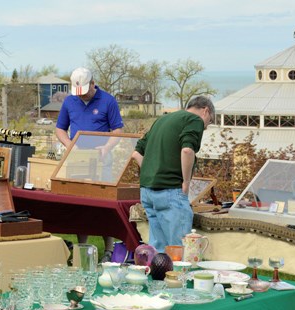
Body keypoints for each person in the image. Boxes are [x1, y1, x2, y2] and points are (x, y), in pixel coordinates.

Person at [56, 67, 124, 262]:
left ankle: (109, 250)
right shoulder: (70, 101)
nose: (82, 95)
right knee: (81, 205)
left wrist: (107, 147)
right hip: (78, 160)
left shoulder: (108, 101)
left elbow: (117, 130)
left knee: (104, 205)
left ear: (93, 83)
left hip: (101, 159)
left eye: (85, 91)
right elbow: (60, 129)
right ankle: (82, 247)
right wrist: (70, 146)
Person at [131, 96, 214, 253]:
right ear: (205, 111)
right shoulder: (194, 120)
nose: (205, 128)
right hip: (170, 190)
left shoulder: (162, 119)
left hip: (147, 191)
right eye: (208, 123)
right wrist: (186, 182)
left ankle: (159, 277)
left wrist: (154, 170)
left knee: (158, 252)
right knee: (180, 252)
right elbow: (187, 150)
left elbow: (136, 154)